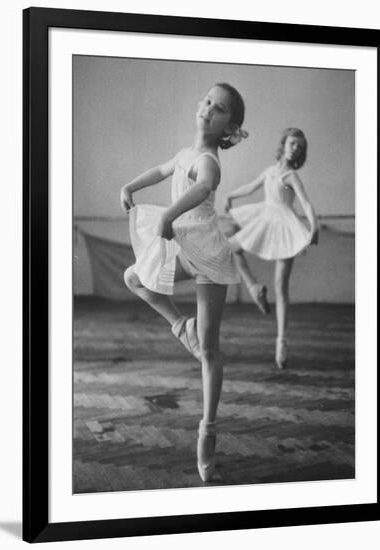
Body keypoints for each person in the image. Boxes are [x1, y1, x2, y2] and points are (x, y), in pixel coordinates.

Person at [120, 83, 248, 482]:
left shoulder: (209, 160)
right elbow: (161, 171)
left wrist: (169, 214)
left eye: (221, 109)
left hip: (206, 253)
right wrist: (130, 186)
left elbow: (202, 187)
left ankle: (207, 430)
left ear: (229, 128)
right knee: (133, 277)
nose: (210, 109)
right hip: (179, 241)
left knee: (209, 351)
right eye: (208, 101)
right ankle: (180, 325)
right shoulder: (184, 154)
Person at [224, 128, 319, 369]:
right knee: (232, 246)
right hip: (266, 216)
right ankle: (254, 286)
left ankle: (281, 341)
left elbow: (306, 204)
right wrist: (229, 196)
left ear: (300, 152)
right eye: (291, 143)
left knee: (280, 288)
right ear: (283, 144)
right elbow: (249, 188)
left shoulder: (292, 177)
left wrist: (314, 227)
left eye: (299, 146)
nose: (294, 148)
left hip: (286, 226)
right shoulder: (270, 171)